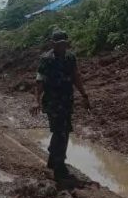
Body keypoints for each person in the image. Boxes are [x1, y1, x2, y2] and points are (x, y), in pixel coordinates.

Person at [31, 29, 90, 183]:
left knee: (65, 130)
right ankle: (59, 163)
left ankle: (54, 159)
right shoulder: (46, 59)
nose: (62, 46)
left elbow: (76, 76)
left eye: (65, 43)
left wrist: (84, 95)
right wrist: (36, 100)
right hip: (52, 101)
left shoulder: (70, 57)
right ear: (52, 44)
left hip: (67, 100)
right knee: (60, 131)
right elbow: (40, 80)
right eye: (59, 44)